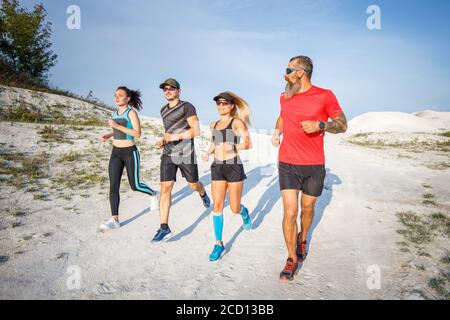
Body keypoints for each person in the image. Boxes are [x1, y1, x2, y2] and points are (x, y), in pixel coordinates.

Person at [272, 56, 348, 280]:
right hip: (287, 162)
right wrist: (278, 131)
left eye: (288, 69)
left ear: (300, 73)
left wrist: (320, 124)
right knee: (290, 212)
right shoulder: (284, 97)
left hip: (314, 164)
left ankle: (302, 238)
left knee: (307, 209)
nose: (284, 73)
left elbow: (343, 124)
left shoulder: (325, 95)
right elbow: (283, 117)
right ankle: (291, 259)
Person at [152, 78, 211, 242]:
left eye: (171, 88)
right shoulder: (163, 110)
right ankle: (164, 227)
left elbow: (196, 131)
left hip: (186, 152)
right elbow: (169, 132)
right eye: (165, 89)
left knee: (193, 184)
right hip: (168, 153)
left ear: (179, 90)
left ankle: (202, 192)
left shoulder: (187, 106)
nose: (167, 91)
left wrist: (176, 136)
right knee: (165, 188)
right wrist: (164, 140)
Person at [202, 91, 253, 261]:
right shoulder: (214, 124)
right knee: (217, 205)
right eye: (219, 103)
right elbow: (214, 143)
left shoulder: (236, 122)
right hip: (217, 167)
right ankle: (218, 243)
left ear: (232, 106)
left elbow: (248, 143)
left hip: (233, 166)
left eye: (225, 103)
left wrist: (234, 148)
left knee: (234, 207)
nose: (221, 106)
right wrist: (207, 153)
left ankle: (244, 212)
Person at [99, 86, 158, 230]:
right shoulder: (114, 113)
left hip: (130, 152)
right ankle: (115, 220)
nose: (116, 97)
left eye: (120, 95)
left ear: (128, 98)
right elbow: (119, 130)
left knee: (135, 185)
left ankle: (154, 194)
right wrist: (110, 134)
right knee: (113, 185)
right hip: (115, 152)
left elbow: (137, 133)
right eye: (115, 95)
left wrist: (117, 127)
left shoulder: (131, 113)